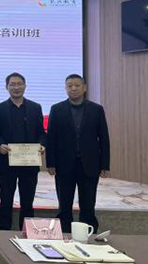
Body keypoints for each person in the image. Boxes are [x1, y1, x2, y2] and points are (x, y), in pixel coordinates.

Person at [46, 74, 110, 233]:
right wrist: (50, 162)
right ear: (65, 88)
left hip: (89, 164)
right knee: (64, 204)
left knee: (88, 203)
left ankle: (88, 233)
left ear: (84, 88)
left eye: (77, 85)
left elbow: (104, 138)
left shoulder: (96, 109)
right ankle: (64, 233)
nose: (73, 89)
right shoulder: (57, 109)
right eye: (70, 86)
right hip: (64, 164)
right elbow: (51, 137)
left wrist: (105, 165)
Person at [0, 73, 46, 230]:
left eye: (19, 84)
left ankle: (27, 234)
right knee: (6, 200)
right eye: (12, 84)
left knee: (27, 202)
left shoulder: (35, 108)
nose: (16, 87)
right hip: (7, 163)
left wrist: (42, 145)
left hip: (29, 163)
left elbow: (41, 133)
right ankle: (3, 234)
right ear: (6, 87)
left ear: (25, 86)